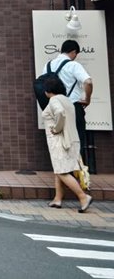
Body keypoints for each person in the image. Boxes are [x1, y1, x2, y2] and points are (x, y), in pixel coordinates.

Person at [41, 75, 92, 212]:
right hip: (72, 139)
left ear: (48, 90)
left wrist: (56, 129)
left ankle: (83, 197)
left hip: (60, 141)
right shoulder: (67, 100)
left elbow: (60, 112)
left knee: (62, 171)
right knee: (60, 170)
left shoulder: (54, 100)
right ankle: (58, 199)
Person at [42, 39, 93, 160]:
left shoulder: (48, 65)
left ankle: (62, 169)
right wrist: (87, 99)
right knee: (76, 138)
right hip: (72, 106)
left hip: (53, 107)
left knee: (58, 138)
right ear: (74, 52)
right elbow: (88, 82)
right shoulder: (73, 65)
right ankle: (76, 171)